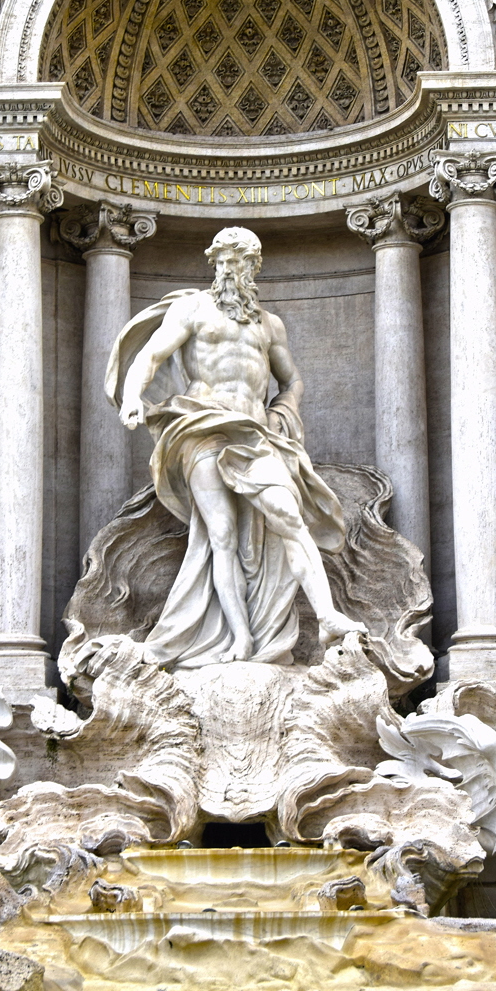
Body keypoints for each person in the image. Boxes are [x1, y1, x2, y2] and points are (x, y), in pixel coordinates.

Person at [105, 226, 364, 668]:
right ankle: (241, 638)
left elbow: (292, 379)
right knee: (220, 535)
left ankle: (327, 617)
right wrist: (132, 397)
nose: (226, 269)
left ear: (252, 267)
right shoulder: (193, 310)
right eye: (220, 261)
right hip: (202, 429)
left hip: (255, 433)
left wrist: (285, 410)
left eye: (235, 262)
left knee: (289, 516)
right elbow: (148, 358)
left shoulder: (269, 325)